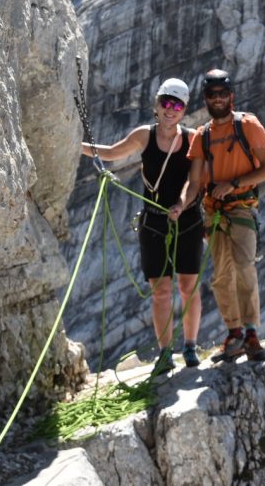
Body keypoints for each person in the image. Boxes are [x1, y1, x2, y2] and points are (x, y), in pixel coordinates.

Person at [81, 78, 204, 369]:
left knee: (188, 286)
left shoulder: (192, 139)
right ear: (157, 105)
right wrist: (76, 144)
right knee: (161, 290)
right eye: (166, 103)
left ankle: (189, 346)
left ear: (183, 110)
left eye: (177, 105)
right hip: (154, 222)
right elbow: (111, 153)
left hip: (186, 219)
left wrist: (181, 204)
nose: (170, 110)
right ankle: (165, 352)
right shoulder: (144, 136)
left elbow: (194, 181)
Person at [169, 69, 265, 362]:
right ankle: (235, 333)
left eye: (222, 94)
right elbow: (194, 183)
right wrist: (181, 204)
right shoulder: (202, 136)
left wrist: (233, 184)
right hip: (214, 212)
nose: (217, 99)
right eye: (212, 95)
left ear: (231, 96)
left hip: (241, 207)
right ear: (206, 99)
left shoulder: (249, 125)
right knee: (220, 276)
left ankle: (251, 333)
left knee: (244, 267)